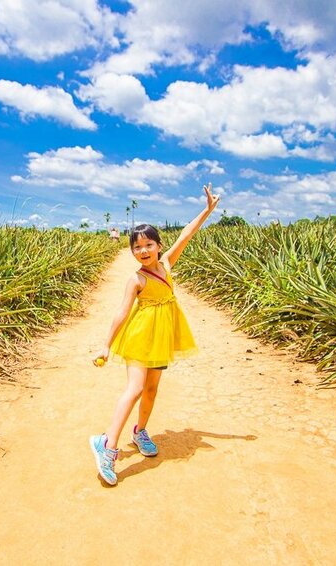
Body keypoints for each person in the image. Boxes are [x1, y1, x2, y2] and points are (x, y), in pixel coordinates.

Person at [90, 183, 220, 485]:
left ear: (159, 246)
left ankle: (140, 432)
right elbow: (121, 312)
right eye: (137, 247)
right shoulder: (136, 279)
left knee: (151, 390)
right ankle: (107, 446)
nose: (143, 251)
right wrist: (105, 345)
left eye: (148, 245)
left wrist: (207, 210)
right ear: (132, 251)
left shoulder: (166, 265)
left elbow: (187, 233)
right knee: (135, 388)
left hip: (162, 335)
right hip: (139, 335)